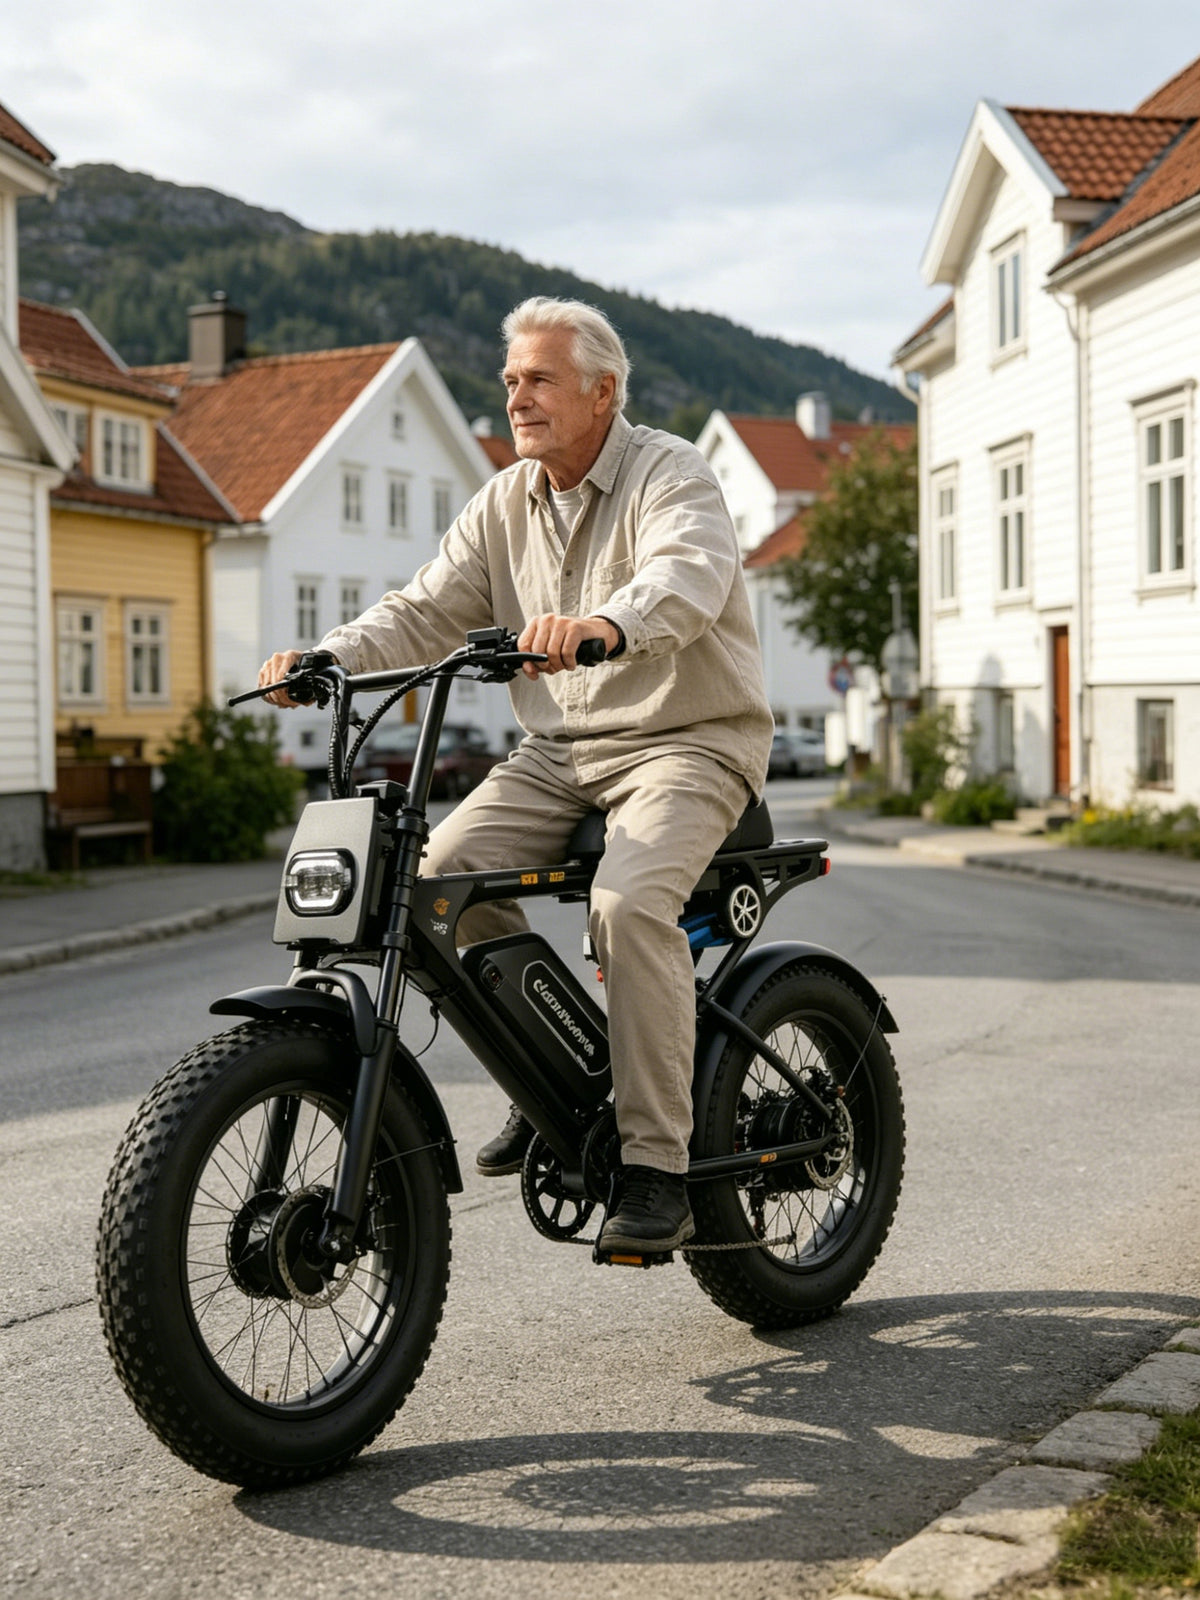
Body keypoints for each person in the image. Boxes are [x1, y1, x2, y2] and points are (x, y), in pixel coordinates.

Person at [259, 296, 772, 1254]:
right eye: (510, 381)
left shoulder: (672, 473)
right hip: (559, 753)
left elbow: (687, 573)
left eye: (538, 379)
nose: (517, 398)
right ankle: (561, 1079)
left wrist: (605, 626)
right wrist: (328, 655)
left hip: (687, 739)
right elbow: (423, 610)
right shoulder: (503, 501)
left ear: (601, 390)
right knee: (432, 884)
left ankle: (659, 1164)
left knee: (625, 905)